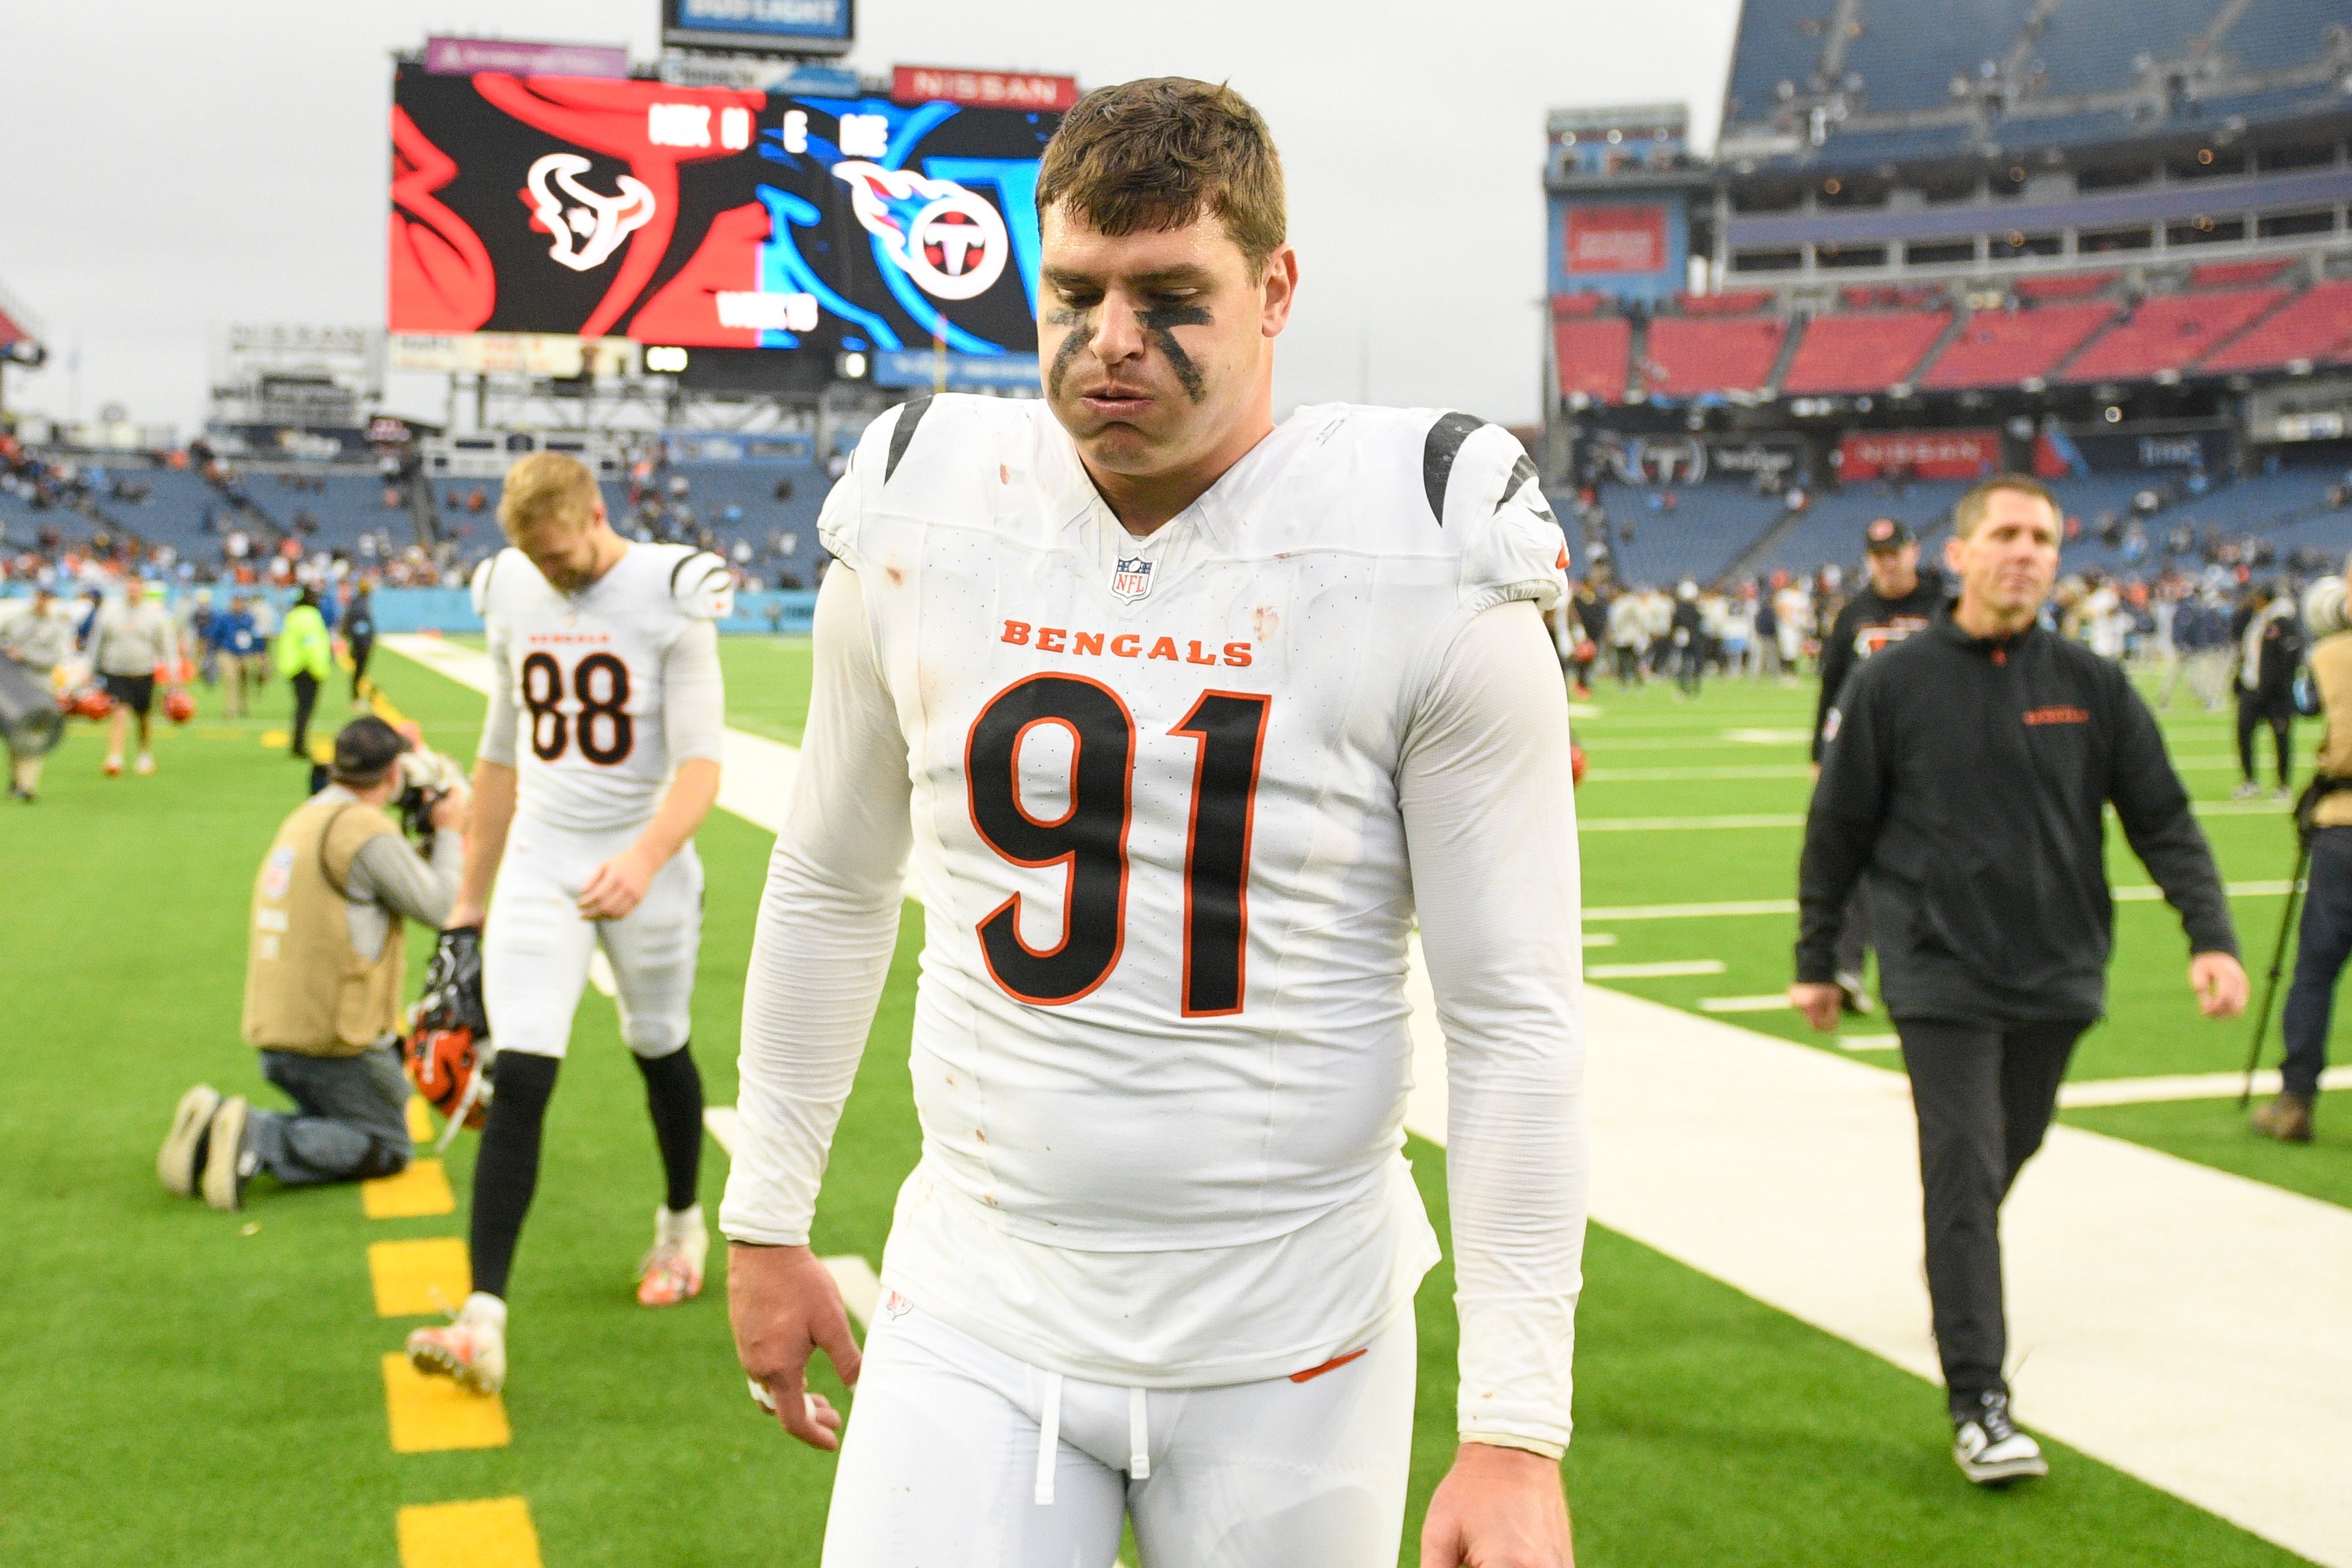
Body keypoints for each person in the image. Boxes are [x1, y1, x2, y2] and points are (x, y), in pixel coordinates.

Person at [721, 79, 1585, 1568]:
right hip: (977, 1292)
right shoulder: (930, 502)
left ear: (1275, 290)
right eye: (1074, 290)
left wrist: (1515, 1419)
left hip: (1295, 1332)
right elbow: (828, 881)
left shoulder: (1424, 538)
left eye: (1169, 293)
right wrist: (766, 1208)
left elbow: (1509, 1013)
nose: (1111, 339)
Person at [1790, 474, 2246, 1487]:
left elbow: (2161, 817)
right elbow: (1836, 833)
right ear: (1958, 553)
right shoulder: (1891, 681)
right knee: (1960, 1166)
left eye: (2040, 535)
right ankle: (1978, 1400)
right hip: (1935, 970)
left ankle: (1954, 1264)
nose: (2024, 551)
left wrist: (2207, 934)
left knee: (1998, 1159)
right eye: (2003, 532)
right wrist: (1817, 955)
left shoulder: (2089, 681)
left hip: (2056, 967)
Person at [403, 452, 730, 1399]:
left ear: (596, 512)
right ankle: (482, 1318)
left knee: (657, 1044)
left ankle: (680, 1220)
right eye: (536, 562)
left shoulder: (671, 588)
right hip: (545, 854)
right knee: (522, 1071)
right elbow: (500, 754)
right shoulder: (509, 583)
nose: (554, 576)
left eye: (562, 556)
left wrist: (642, 859)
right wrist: (471, 894)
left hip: (643, 857)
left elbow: (702, 764)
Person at [157, 718, 470, 1211]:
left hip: (280, 1027)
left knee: (354, 1114)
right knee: (387, 1145)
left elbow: (389, 882)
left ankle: (212, 1129)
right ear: (392, 773)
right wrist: (449, 832)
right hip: (332, 1038)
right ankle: (256, 1137)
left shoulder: (309, 816)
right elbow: (439, 906)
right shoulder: (364, 829)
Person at [1811, 518, 1949, 1014]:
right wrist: (1818, 755)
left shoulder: (1944, 605)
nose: (1887, 562)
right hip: (1865, 758)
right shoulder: (1855, 613)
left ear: (1912, 551)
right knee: (1857, 865)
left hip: (1938, 754)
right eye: (1877, 554)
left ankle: (1937, 967)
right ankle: (1847, 968)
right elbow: (1831, 687)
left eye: (1894, 551)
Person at [2261, 560, 2352, 1141]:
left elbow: (2300, 703)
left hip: (2342, 825)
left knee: (2315, 970)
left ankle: (2294, 1100)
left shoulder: (2328, 656)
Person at [88, 579, 182, 777]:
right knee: (119, 711)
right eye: (130, 588)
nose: (133, 592)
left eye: (137, 588)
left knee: (143, 716)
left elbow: (167, 644)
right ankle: (115, 757)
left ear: (143, 590)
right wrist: (90, 668)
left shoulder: (154, 614)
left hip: (143, 671)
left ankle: (144, 754)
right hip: (115, 670)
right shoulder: (110, 612)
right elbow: (97, 642)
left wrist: (174, 671)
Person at [2231, 581, 2301, 800]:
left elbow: (2291, 655)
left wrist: (2278, 683)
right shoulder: (2256, 620)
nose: (2253, 600)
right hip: (2251, 687)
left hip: (2275, 693)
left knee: (2280, 737)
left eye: (2257, 597)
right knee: (2243, 733)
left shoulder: (2281, 620)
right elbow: (2237, 634)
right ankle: (2250, 781)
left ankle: (2283, 785)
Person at [2, 585, 73, 800]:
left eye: (48, 597)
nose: (44, 601)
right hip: (14, 687)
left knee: (33, 736)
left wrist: (24, 655)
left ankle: (27, 786)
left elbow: (53, 659)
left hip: (39, 688)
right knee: (13, 737)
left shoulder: (57, 626)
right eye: (41, 596)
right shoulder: (16, 620)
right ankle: (17, 781)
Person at [278, 587, 333, 760]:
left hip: (295, 667)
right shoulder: (310, 617)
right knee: (306, 708)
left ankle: (298, 742)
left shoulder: (294, 616)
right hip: (306, 669)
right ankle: (299, 745)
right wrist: (318, 668)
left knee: (301, 708)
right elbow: (312, 644)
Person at [213, 595, 260, 719]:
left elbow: (255, 636)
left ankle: (243, 707)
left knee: (245, 681)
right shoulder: (224, 618)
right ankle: (231, 710)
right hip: (228, 653)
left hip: (245, 654)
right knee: (231, 680)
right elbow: (216, 636)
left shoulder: (249, 618)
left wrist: (259, 653)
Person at [346, 581, 378, 705]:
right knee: (359, 671)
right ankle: (356, 698)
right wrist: (365, 642)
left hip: (360, 642)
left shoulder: (359, 602)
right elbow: (360, 627)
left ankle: (357, 697)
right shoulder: (361, 605)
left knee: (359, 672)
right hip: (361, 644)